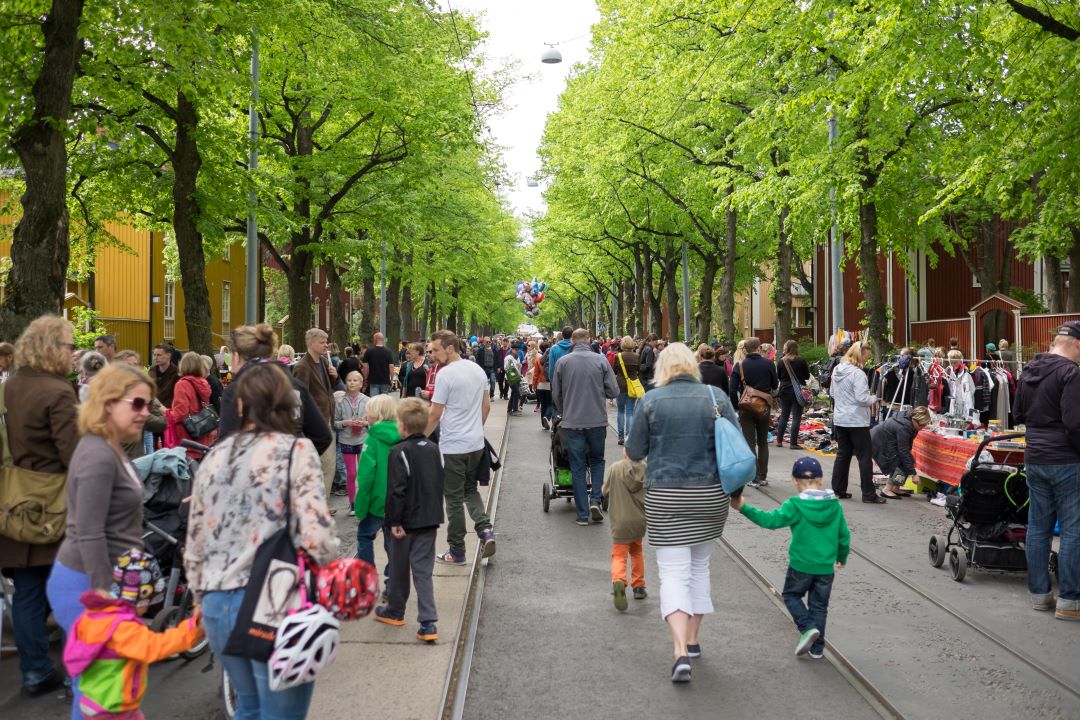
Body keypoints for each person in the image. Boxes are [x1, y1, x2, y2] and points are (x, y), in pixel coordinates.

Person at [185, 362, 339, 719]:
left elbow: (195, 539)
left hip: (216, 602)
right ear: (290, 405)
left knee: (249, 707)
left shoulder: (216, 455)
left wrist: (198, 598)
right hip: (274, 602)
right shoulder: (295, 451)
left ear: (240, 406)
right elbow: (316, 537)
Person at [45, 363, 155, 718]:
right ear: (108, 403)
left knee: (106, 692)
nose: (145, 413)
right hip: (86, 583)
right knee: (99, 693)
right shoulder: (97, 452)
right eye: (137, 404)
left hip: (95, 580)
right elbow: (90, 530)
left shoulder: (108, 448)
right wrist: (105, 595)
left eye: (148, 405)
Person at [625, 343, 737, 683]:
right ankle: (693, 638)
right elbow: (735, 442)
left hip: (666, 496)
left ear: (661, 368)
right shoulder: (715, 397)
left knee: (673, 574)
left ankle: (679, 652)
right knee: (700, 567)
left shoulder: (650, 400)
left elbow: (634, 450)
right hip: (711, 495)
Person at [0, 316, 79, 698]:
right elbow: (74, 454)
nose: (73, 352)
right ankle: (76, 670)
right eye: (68, 345)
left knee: (28, 593)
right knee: (70, 588)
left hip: (14, 501)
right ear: (50, 347)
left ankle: (34, 672)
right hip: (53, 503)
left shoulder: (9, 386)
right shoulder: (58, 391)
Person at [62, 549, 204, 720]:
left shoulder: (93, 615)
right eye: (148, 603)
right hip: (113, 707)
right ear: (138, 599)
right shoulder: (123, 628)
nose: (147, 609)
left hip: (94, 699)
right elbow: (155, 647)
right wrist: (193, 628)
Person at [730, 457, 850, 659]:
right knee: (819, 607)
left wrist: (743, 507)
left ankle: (807, 627)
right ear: (820, 481)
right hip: (825, 568)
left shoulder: (794, 504)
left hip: (801, 565)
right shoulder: (834, 506)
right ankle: (817, 649)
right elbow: (843, 535)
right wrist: (841, 556)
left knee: (791, 596)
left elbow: (770, 521)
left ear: (795, 481)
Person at [1013, 321, 1080, 620]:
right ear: (1077, 345)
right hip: (1065, 458)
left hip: (1035, 455)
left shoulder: (1029, 370)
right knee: (1072, 531)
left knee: (1038, 528)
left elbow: (1017, 413)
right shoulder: (1070, 373)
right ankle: (1069, 601)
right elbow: (1075, 423)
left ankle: (1039, 595)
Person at [374, 398, 445, 642]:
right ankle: (428, 622)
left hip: (405, 522)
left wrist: (394, 521)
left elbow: (396, 490)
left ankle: (395, 610)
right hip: (429, 519)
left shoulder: (399, 452)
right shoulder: (434, 449)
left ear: (401, 426)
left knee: (399, 568)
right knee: (423, 572)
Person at [423, 330, 495, 565]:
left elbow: (434, 413)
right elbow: (486, 406)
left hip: (453, 445)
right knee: (469, 490)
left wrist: (417, 439)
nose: (432, 354)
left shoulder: (446, 374)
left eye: (435, 350)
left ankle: (457, 551)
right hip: (475, 444)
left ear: (449, 348)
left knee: (453, 499)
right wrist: (476, 429)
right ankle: (485, 531)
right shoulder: (477, 370)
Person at [218, 323, 332, 454]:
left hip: (254, 470)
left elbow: (225, 447)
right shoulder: (295, 386)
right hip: (292, 468)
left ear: (236, 357)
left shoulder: (235, 392)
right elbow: (322, 436)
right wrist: (299, 460)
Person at [552, 328, 620, 525]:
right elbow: (613, 390)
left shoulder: (562, 362)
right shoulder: (600, 360)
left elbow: (556, 394)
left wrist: (566, 411)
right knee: (597, 460)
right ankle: (596, 500)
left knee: (577, 465)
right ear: (589, 339)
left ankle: (582, 515)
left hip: (572, 423)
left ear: (572, 340)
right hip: (597, 421)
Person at [830, 341, 884, 503]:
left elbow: (832, 392)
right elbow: (862, 399)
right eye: (866, 357)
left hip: (840, 418)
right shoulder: (857, 374)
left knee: (843, 455)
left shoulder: (837, 370)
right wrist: (875, 398)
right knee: (864, 457)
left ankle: (838, 489)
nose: (866, 361)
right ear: (860, 356)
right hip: (857, 420)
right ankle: (868, 494)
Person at [292, 328, 340, 500]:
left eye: (326, 341)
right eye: (322, 342)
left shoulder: (324, 362)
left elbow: (332, 388)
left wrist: (335, 376)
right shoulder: (302, 367)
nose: (326, 345)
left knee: (329, 466)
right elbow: (298, 398)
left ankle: (322, 502)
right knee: (322, 465)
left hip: (328, 417)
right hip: (315, 421)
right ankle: (319, 503)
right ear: (310, 343)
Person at [353, 394, 398, 579]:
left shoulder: (371, 441)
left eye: (368, 413)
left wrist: (360, 508)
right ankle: (393, 583)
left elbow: (365, 479)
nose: (365, 416)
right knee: (394, 544)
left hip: (376, 502)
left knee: (364, 536)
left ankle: (368, 577)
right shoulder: (402, 436)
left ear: (376, 415)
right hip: (398, 502)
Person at [729, 337, 779, 487]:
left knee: (750, 442)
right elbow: (775, 385)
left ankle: (754, 476)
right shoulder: (769, 363)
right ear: (759, 348)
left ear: (745, 349)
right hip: (763, 407)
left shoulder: (740, 365)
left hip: (746, 407)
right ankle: (763, 476)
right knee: (763, 442)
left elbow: (732, 390)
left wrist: (735, 407)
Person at [602, 456, 647, 612]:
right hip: (639, 521)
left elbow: (605, 491)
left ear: (625, 451)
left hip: (620, 522)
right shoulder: (645, 469)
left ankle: (619, 581)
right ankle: (639, 586)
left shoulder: (615, 468)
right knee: (636, 552)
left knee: (619, 555)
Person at [165, 351, 218, 457]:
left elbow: (181, 413)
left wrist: (166, 413)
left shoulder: (182, 384)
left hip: (187, 436)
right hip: (203, 431)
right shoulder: (203, 382)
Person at [871, 406, 931, 499]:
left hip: (881, 438)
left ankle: (895, 487)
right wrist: (913, 474)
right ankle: (887, 489)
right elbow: (903, 451)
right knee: (899, 460)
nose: (923, 428)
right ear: (916, 421)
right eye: (922, 425)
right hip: (879, 441)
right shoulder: (904, 428)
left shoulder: (909, 420)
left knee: (907, 460)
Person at [335, 370, 370, 506]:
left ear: (361, 383)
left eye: (355, 380)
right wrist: (345, 423)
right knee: (351, 473)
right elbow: (335, 423)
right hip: (347, 440)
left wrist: (365, 423)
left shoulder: (368, 400)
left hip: (363, 440)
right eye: (349, 380)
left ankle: (363, 501)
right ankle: (352, 503)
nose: (352, 382)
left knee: (363, 473)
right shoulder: (340, 400)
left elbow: (373, 423)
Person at [776, 339, 811, 450]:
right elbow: (807, 376)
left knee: (784, 415)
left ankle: (779, 441)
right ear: (796, 348)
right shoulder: (801, 360)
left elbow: (779, 376)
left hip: (785, 390)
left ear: (786, 348)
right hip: (798, 391)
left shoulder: (781, 361)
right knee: (796, 417)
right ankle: (793, 443)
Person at [613, 336, 641, 445]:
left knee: (620, 410)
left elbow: (614, 370)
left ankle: (620, 436)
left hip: (620, 385)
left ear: (622, 344)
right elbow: (638, 369)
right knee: (630, 411)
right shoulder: (637, 356)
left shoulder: (617, 356)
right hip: (633, 385)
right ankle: (629, 436)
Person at [363, 332, 396, 397]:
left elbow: (365, 367)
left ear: (375, 339)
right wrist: (392, 379)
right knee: (383, 402)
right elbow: (391, 366)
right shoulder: (388, 351)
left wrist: (365, 378)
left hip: (373, 380)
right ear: (382, 339)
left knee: (374, 401)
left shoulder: (369, 351)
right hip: (385, 380)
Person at [150, 343, 179, 407]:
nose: (155, 358)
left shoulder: (177, 373)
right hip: (153, 409)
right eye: (154, 355)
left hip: (169, 410)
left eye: (159, 355)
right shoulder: (152, 371)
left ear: (168, 355)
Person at [533, 340, 554, 429]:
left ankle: (543, 422)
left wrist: (534, 385)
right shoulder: (552, 358)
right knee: (550, 403)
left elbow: (536, 373)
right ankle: (547, 416)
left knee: (543, 404)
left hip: (540, 385)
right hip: (549, 383)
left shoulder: (538, 359)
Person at [504, 342, 523, 415]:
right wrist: (510, 364)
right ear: (512, 349)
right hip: (511, 378)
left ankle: (509, 410)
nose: (517, 351)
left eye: (518, 349)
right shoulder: (509, 357)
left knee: (513, 393)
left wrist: (519, 365)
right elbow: (506, 368)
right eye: (515, 349)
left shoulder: (517, 357)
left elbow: (518, 368)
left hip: (516, 377)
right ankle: (514, 410)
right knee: (516, 392)